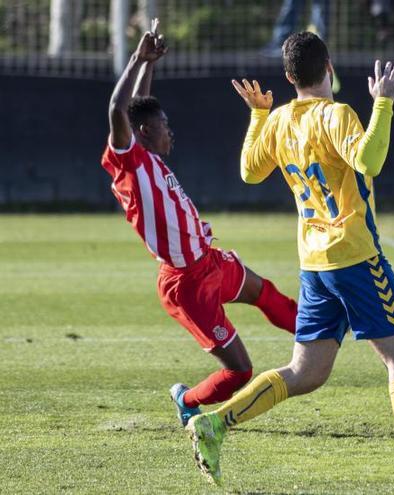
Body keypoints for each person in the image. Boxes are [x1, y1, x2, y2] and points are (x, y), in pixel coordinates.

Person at [184, 32, 394, 495]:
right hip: (356, 256)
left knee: (306, 372)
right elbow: (370, 161)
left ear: (288, 77)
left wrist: (259, 114)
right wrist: (383, 104)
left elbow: (248, 171)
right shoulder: (337, 113)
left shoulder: (280, 118)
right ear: (330, 67)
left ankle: (216, 423)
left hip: (315, 263)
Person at [100, 20, 299, 429]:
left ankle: (321, 332)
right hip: (187, 285)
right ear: (142, 134)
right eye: (164, 127)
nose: (170, 133)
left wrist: (148, 64)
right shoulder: (129, 163)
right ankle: (186, 399)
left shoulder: (147, 155)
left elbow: (140, 105)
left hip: (209, 262)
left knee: (265, 293)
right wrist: (136, 56)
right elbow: (119, 110)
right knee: (240, 372)